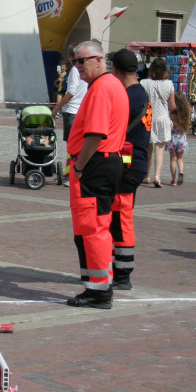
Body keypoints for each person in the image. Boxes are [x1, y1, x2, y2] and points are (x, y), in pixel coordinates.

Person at [64, 40, 128, 309]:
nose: (77, 67)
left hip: (95, 164)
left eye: (82, 61)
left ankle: (100, 291)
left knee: (93, 229)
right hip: (102, 163)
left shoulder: (102, 88)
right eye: (74, 62)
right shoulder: (110, 85)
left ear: (99, 59)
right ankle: (95, 286)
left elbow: (96, 133)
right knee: (91, 228)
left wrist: (79, 166)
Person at [109, 49, 150, 291]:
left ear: (115, 70)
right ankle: (118, 269)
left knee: (121, 218)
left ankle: (123, 274)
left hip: (128, 162)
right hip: (137, 161)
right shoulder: (140, 93)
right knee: (120, 217)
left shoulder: (129, 96)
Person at [52, 49, 87, 186]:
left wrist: (57, 107)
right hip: (79, 110)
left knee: (72, 146)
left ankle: (71, 174)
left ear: (70, 56)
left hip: (72, 111)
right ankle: (70, 173)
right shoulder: (84, 71)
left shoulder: (74, 71)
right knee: (76, 145)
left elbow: (71, 91)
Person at [140, 56, 176, 188]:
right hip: (163, 118)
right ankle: (157, 176)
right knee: (160, 149)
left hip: (149, 117)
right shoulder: (169, 84)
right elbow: (172, 106)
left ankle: (147, 176)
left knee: (148, 148)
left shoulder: (144, 83)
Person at [167, 91, 191, 186]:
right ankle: (181, 171)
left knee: (173, 159)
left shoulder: (172, 113)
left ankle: (174, 179)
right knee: (180, 159)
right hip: (182, 137)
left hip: (172, 137)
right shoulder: (185, 112)